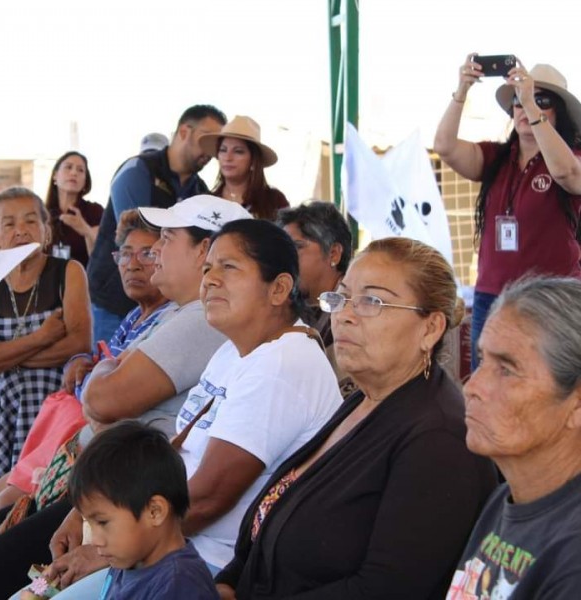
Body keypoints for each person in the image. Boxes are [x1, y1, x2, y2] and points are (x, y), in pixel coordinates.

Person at [0, 195, 244, 600]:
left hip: (120, 498)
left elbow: (104, 401)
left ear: (203, 252)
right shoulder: (175, 314)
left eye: (165, 239)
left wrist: (105, 373)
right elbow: (98, 396)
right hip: (99, 485)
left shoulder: (201, 319)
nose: (155, 252)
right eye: (133, 250)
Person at [43, 218, 342, 599]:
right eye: (207, 268)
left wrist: (105, 547)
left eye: (229, 267)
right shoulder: (234, 351)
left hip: (203, 563)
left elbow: (209, 496)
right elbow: (171, 456)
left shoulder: (283, 364)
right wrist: (88, 512)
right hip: (157, 542)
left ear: (279, 288)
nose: (210, 280)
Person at [215, 237, 498, 599]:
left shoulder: (438, 439)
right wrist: (226, 583)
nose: (345, 314)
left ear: (430, 328)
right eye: (343, 296)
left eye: (372, 301)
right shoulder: (365, 399)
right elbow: (271, 524)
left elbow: (386, 589)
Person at [0, 208, 171, 518]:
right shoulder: (134, 317)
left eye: (147, 254)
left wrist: (78, 361)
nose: (132, 264)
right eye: (125, 254)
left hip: (94, 440)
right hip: (59, 423)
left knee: (1, 508)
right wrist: (79, 360)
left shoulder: (167, 320)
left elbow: (103, 378)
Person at [434, 58, 581, 370]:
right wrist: (462, 90)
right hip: (492, 295)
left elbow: (567, 173)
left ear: (560, 113)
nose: (526, 108)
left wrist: (530, 103)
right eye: (519, 101)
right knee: (488, 384)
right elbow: (444, 147)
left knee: (546, 384)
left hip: (551, 297)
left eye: (543, 101)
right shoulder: (497, 157)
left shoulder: (571, 157)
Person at [446, 276, 581, 599]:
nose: (471, 387)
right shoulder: (507, 498)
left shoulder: (573, 556)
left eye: (506, 369)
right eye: (482, 360)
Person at [0, 186, 92, 499]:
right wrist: (42, 337)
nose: (21, 231)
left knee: (43, 503)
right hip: (0, 413)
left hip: (53, 412)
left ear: (46, 230)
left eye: (31, 221)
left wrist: (6, 356)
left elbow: (79, 343)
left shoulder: (69, 272)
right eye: (8, 224)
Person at [23, 421, 219, 600]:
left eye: (102, 522)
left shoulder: (180, 585)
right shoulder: (129, 559)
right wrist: (39, 590)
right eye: (90, 524)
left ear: (155, 511)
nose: (96, 541)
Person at [86, 104, 226, 344]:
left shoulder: (200, 190)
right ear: (184, 131)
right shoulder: (137, 171)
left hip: (163, 305)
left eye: (216, 145)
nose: (211, 151)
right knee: (104, 367)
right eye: (207, 139)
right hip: (114, 301)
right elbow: (139, 235)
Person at [277, 200, 354, 395]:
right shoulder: (294, 307)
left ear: (334, 253)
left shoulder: (353, 312)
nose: (285, 259)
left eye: (297, 247)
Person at [199, 115, 289, 220]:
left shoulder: (274, 201)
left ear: (254, 160)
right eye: (223, 150)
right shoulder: (206, 200)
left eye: (238, 151)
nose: (228, 158)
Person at [45, 151, 102, 266]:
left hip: (83, 280)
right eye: (68, 167)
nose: (74, 173)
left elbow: (102, 257)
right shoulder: (41, 213)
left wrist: (86, 230)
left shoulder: (95, 211)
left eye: (80, 170)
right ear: (55, 175)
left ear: (85, 181)